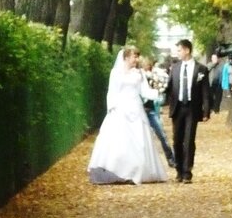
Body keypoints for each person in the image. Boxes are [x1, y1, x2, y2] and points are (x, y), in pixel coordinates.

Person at [88, 47, 168, 185]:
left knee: (138, 141)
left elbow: (144, 91)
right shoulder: (115, 73)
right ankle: (117, 170)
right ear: (126, 57)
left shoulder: (139, 73)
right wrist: (111, 108)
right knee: (119, 140)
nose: (136, 59)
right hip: (120, 109)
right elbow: (112, 91)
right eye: (134, 56)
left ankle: (135, 171)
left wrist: (158, 92)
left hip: (136, 108)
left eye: (137, 56)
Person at [165, 39, 211, 183]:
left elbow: (205, 91)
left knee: (189, 140)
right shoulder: (175, 68)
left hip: (192, 108)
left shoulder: (201, 69)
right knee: (177, 140)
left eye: (179, 50)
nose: (178, 53)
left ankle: (187, 172)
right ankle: (179, 169)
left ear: (187, 50)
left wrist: (206, 111)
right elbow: (169, 87)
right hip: (178, 108)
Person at [140, 55, 175, 168]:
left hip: (150, 109)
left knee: (161, 134)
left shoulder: (154, 75)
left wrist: (157, 89)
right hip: (140, 110)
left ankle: (171, 158)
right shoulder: (138, 76)